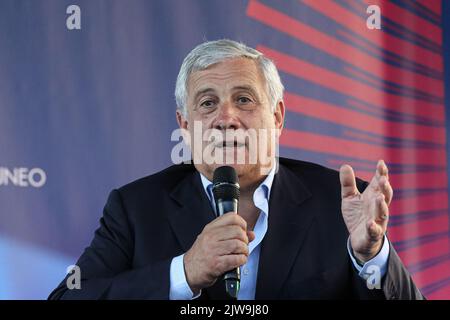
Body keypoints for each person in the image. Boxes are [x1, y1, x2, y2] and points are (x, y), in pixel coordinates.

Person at [49, 39, 423, 300]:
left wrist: (372, 257)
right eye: (208, 103)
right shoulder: (135, 209)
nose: (226, 118)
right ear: (185, 125)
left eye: (243, 99)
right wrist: (184, 273)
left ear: (277, 116)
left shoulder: (341, 204)